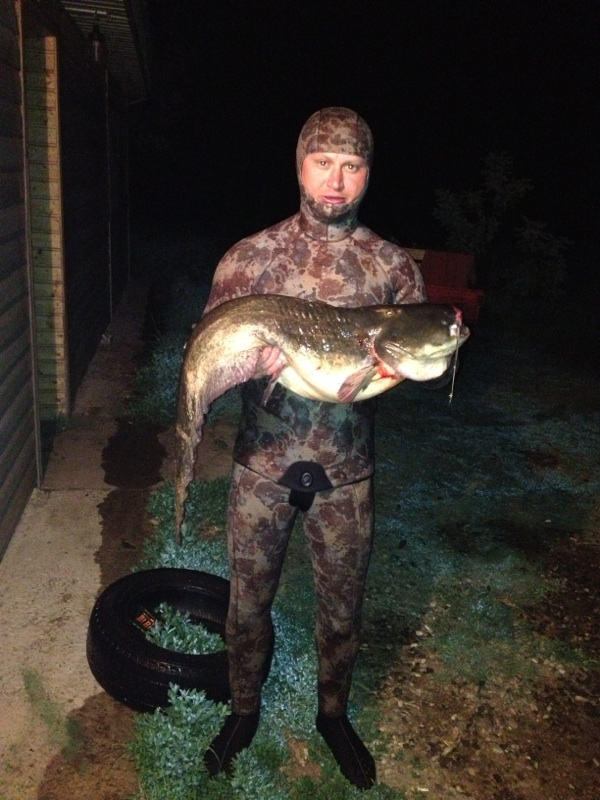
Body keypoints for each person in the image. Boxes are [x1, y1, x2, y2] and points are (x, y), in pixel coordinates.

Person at [202, 107, 426, 790]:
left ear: (368, 173)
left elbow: (414, 357)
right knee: (247, 603)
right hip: (261, 465)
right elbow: (210, 353)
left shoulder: (391, 267)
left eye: (352, 165)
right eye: (323, 162)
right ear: (299, 165)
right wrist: (248, 366)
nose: (336, 180)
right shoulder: (250, 257)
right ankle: (243, 710)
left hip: (346, 468)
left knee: (343, 607)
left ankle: (333, 715)